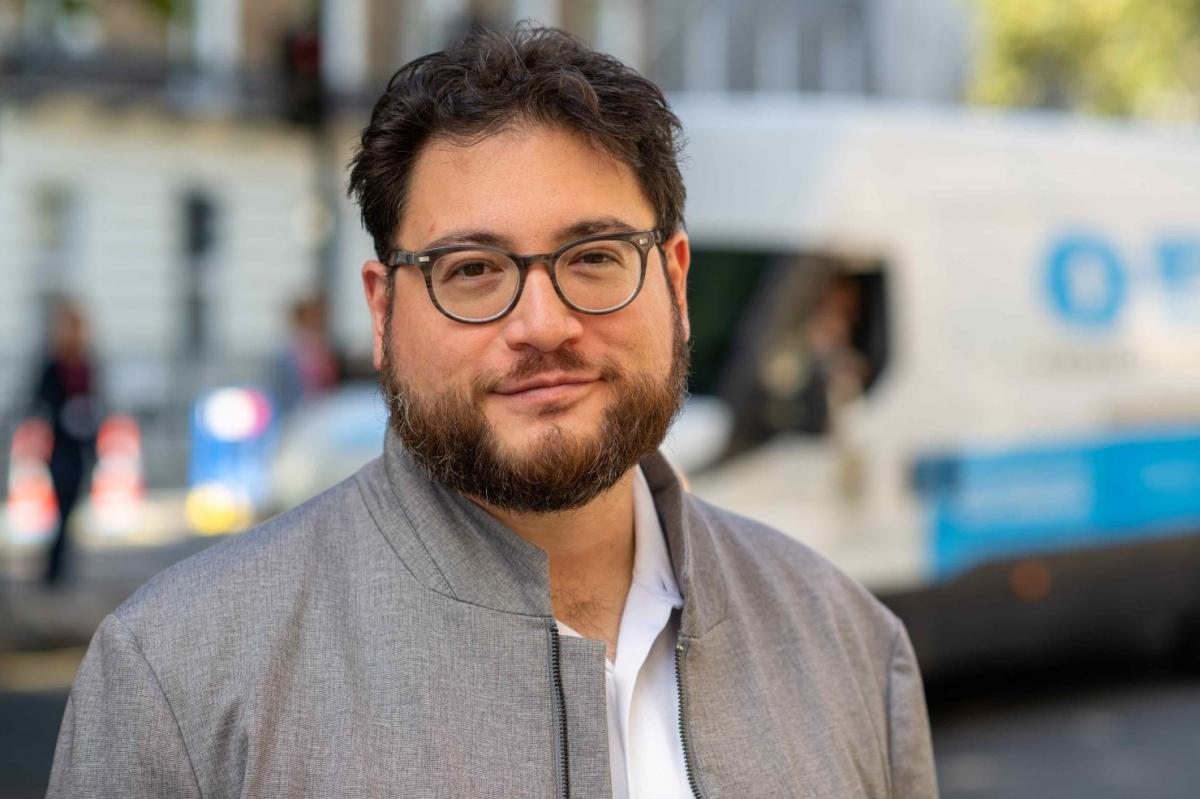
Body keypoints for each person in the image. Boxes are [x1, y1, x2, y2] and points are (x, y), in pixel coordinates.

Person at [48, 25, 937, 798]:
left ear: (674, 279)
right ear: (384, 313)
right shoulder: (179, 677)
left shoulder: (849, 644)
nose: (542, 325)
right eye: (472, 269)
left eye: (593, 256)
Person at [31, 298, 100, 585]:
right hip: (59, 446)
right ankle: (53, 568)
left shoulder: (86, 365)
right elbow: (39, 401)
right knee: (60, 507)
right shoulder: (53, 365)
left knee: (71, 507)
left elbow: (96, 402)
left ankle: (59, 566)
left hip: (80, 446)